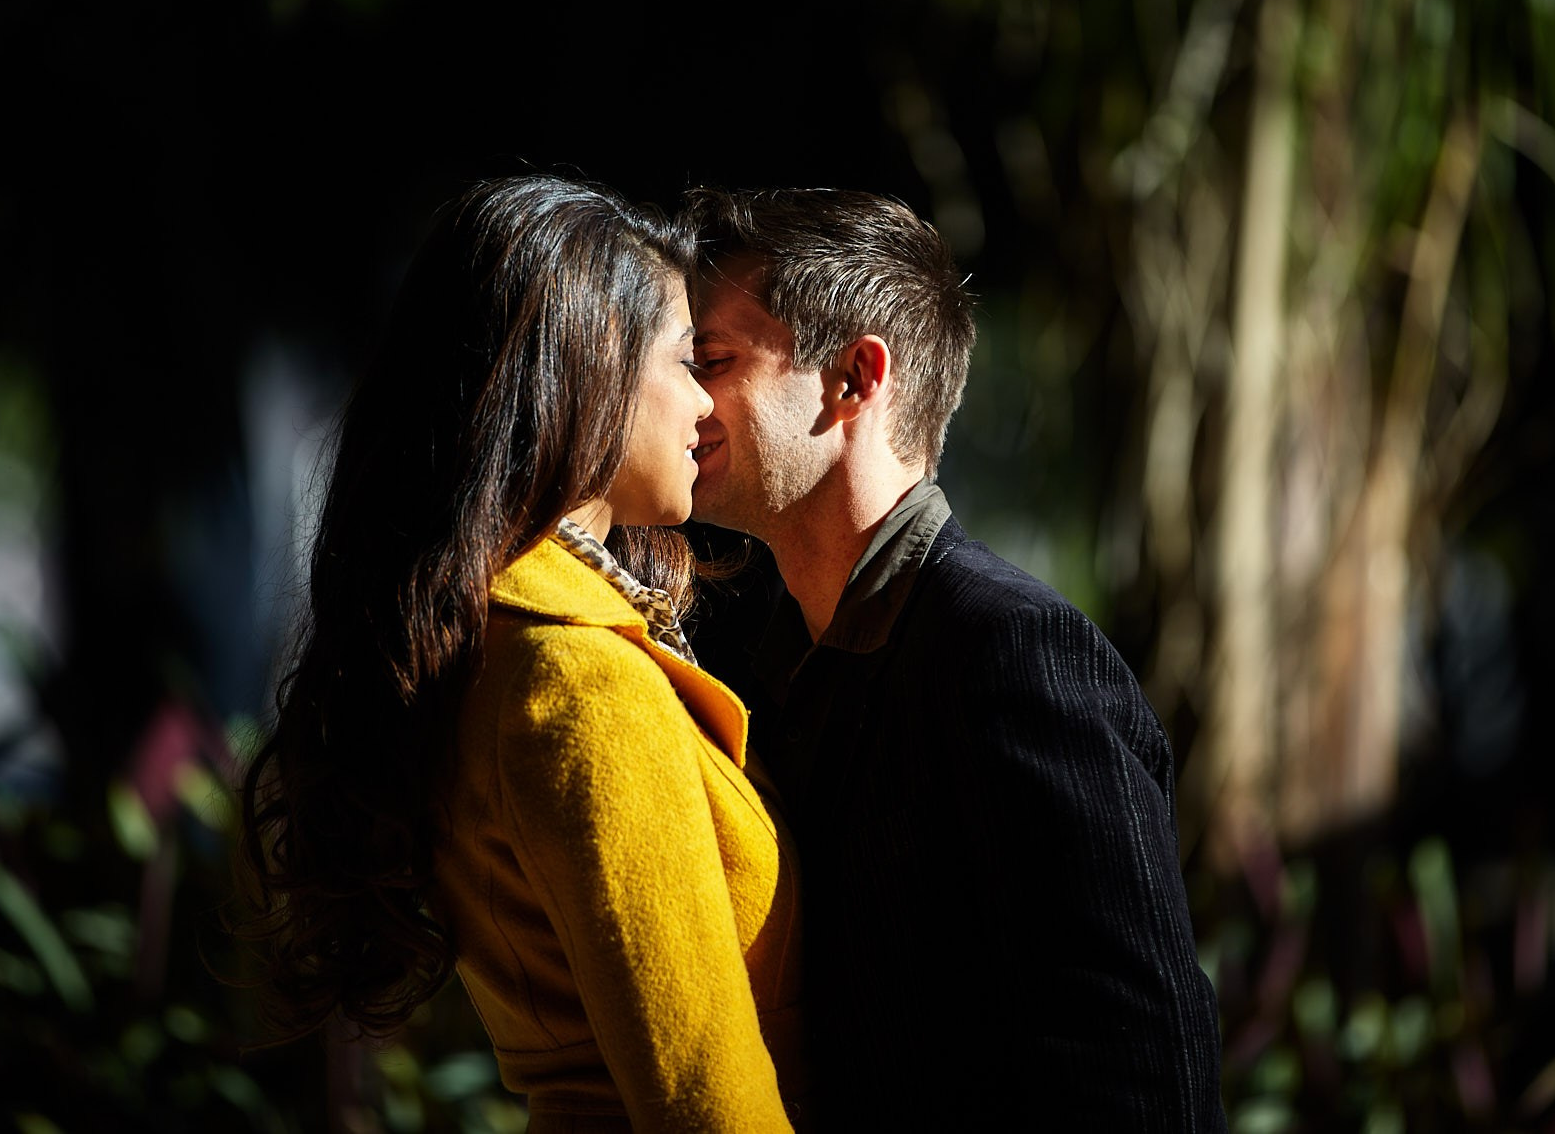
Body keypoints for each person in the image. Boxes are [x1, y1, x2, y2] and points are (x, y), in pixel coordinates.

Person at [240, 177, 807, 1131]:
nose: (707, 402)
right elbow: (707, 1104)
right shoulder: (583, 686)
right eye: (686, 357)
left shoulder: (495, 639)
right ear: (590, 368)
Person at [680, 187, 1226, 1130]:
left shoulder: (1013, 653)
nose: (685, 395)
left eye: (715, 359)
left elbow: (1146, 1074)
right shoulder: (770, 660)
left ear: (853, 380)